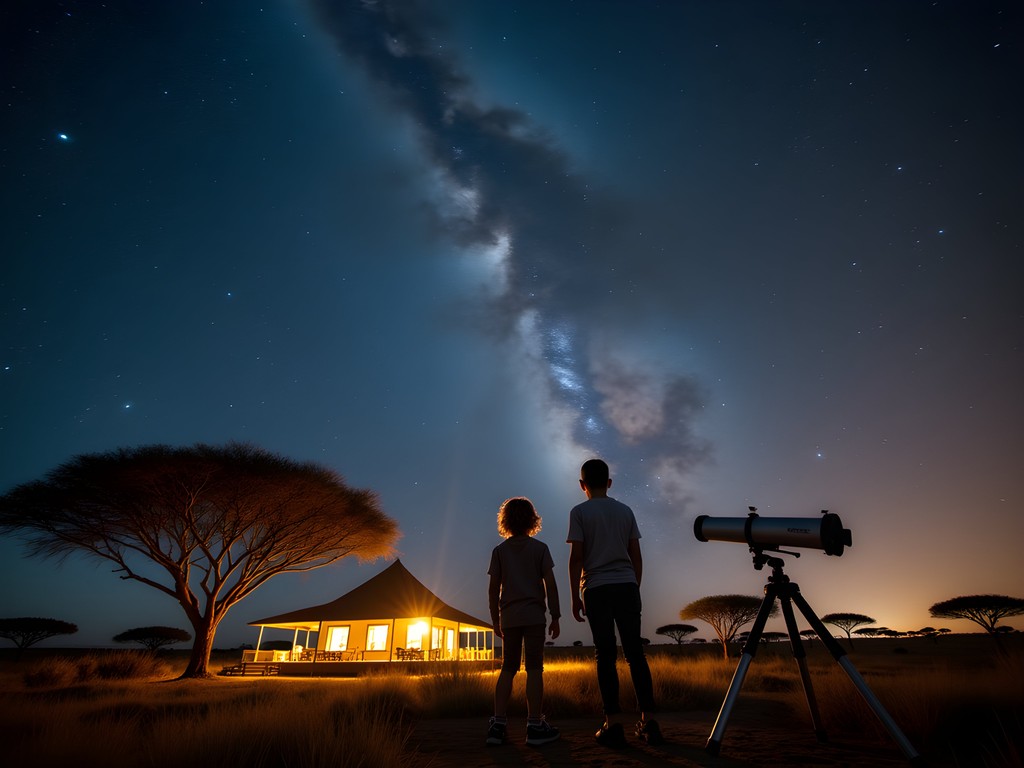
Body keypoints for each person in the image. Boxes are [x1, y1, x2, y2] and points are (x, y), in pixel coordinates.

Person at [567, 458, 662, 747]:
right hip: (626, 586)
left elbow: (577, 558)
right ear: (609, 483)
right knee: (635, 655)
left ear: (582, 485)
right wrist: (634, 586)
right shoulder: (625, 511)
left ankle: (613, 723)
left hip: (596, 589)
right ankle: (649, 721)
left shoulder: (579, 512)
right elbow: (637, 555)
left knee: (604, 655)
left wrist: (575, 596)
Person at [486, 496, 562, 747]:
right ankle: (534, 725)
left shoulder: (499, 552)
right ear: (532, 520)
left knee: (508, 668)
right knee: (534, 669)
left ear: (505, 521)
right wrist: (556, 615)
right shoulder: (540, 549)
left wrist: (495, 620)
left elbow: (493, 589)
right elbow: (550, 584)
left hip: (509, 617)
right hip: (533, 617)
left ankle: (497, 725)